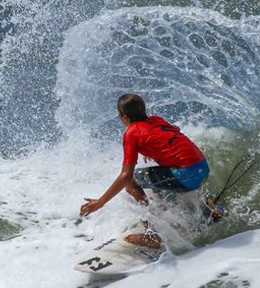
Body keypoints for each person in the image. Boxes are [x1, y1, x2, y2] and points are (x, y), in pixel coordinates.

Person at [79, 93, 210, 248]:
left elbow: (126, 176)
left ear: (124, 117)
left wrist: (100, 202)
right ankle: (207, 209)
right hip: (202, 169)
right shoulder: (156, 120)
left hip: (186, 175)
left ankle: (151, 234)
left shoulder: (131, 133)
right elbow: (174, 130)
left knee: (132, 182)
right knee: (156, 178)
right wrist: (150, 149)